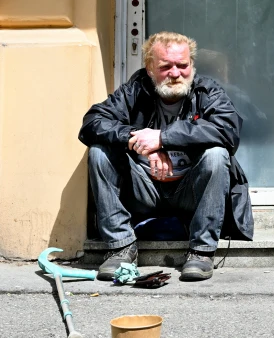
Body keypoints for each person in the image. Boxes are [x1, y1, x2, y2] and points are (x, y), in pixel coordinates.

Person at [79, 32, 254, 281]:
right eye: (166, 66)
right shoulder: (134, 91)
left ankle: (201, 252)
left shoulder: (208, 91)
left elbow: (227, 131)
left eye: (183, 65)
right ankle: (120, 247)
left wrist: (162, 138)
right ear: (150, 68)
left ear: (191, 66)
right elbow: (92, 123)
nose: (175, 73)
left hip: (190, 191)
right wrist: (139, 139)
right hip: (144, 189)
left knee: (217, 154)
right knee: (99, 152)